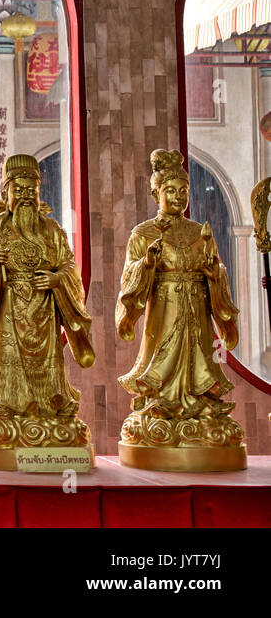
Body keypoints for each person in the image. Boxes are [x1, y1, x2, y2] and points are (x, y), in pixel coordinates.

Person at [0, 153, 94, 467]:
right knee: (7, 366)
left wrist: (57, 279)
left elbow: (69, 269)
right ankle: (4, 405)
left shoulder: (52, 230)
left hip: (45, 310)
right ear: (5, 193)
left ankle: (48, 407)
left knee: (47, 369)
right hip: (6, 308)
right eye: (17, 190)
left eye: (30, 190)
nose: (24, 196)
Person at [115, 149, 244, 469]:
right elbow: (129, 275)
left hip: (197, 306)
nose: (178, 196)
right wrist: (146, 263)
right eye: (170, 190)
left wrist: (215, 274)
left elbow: (218, 269)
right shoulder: (143, 233)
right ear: (155, 193)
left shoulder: (200, 232)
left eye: (183, 190)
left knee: (199, 354)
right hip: (165, 307)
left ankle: (199, 404)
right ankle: (161, 403)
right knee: (162, 356)